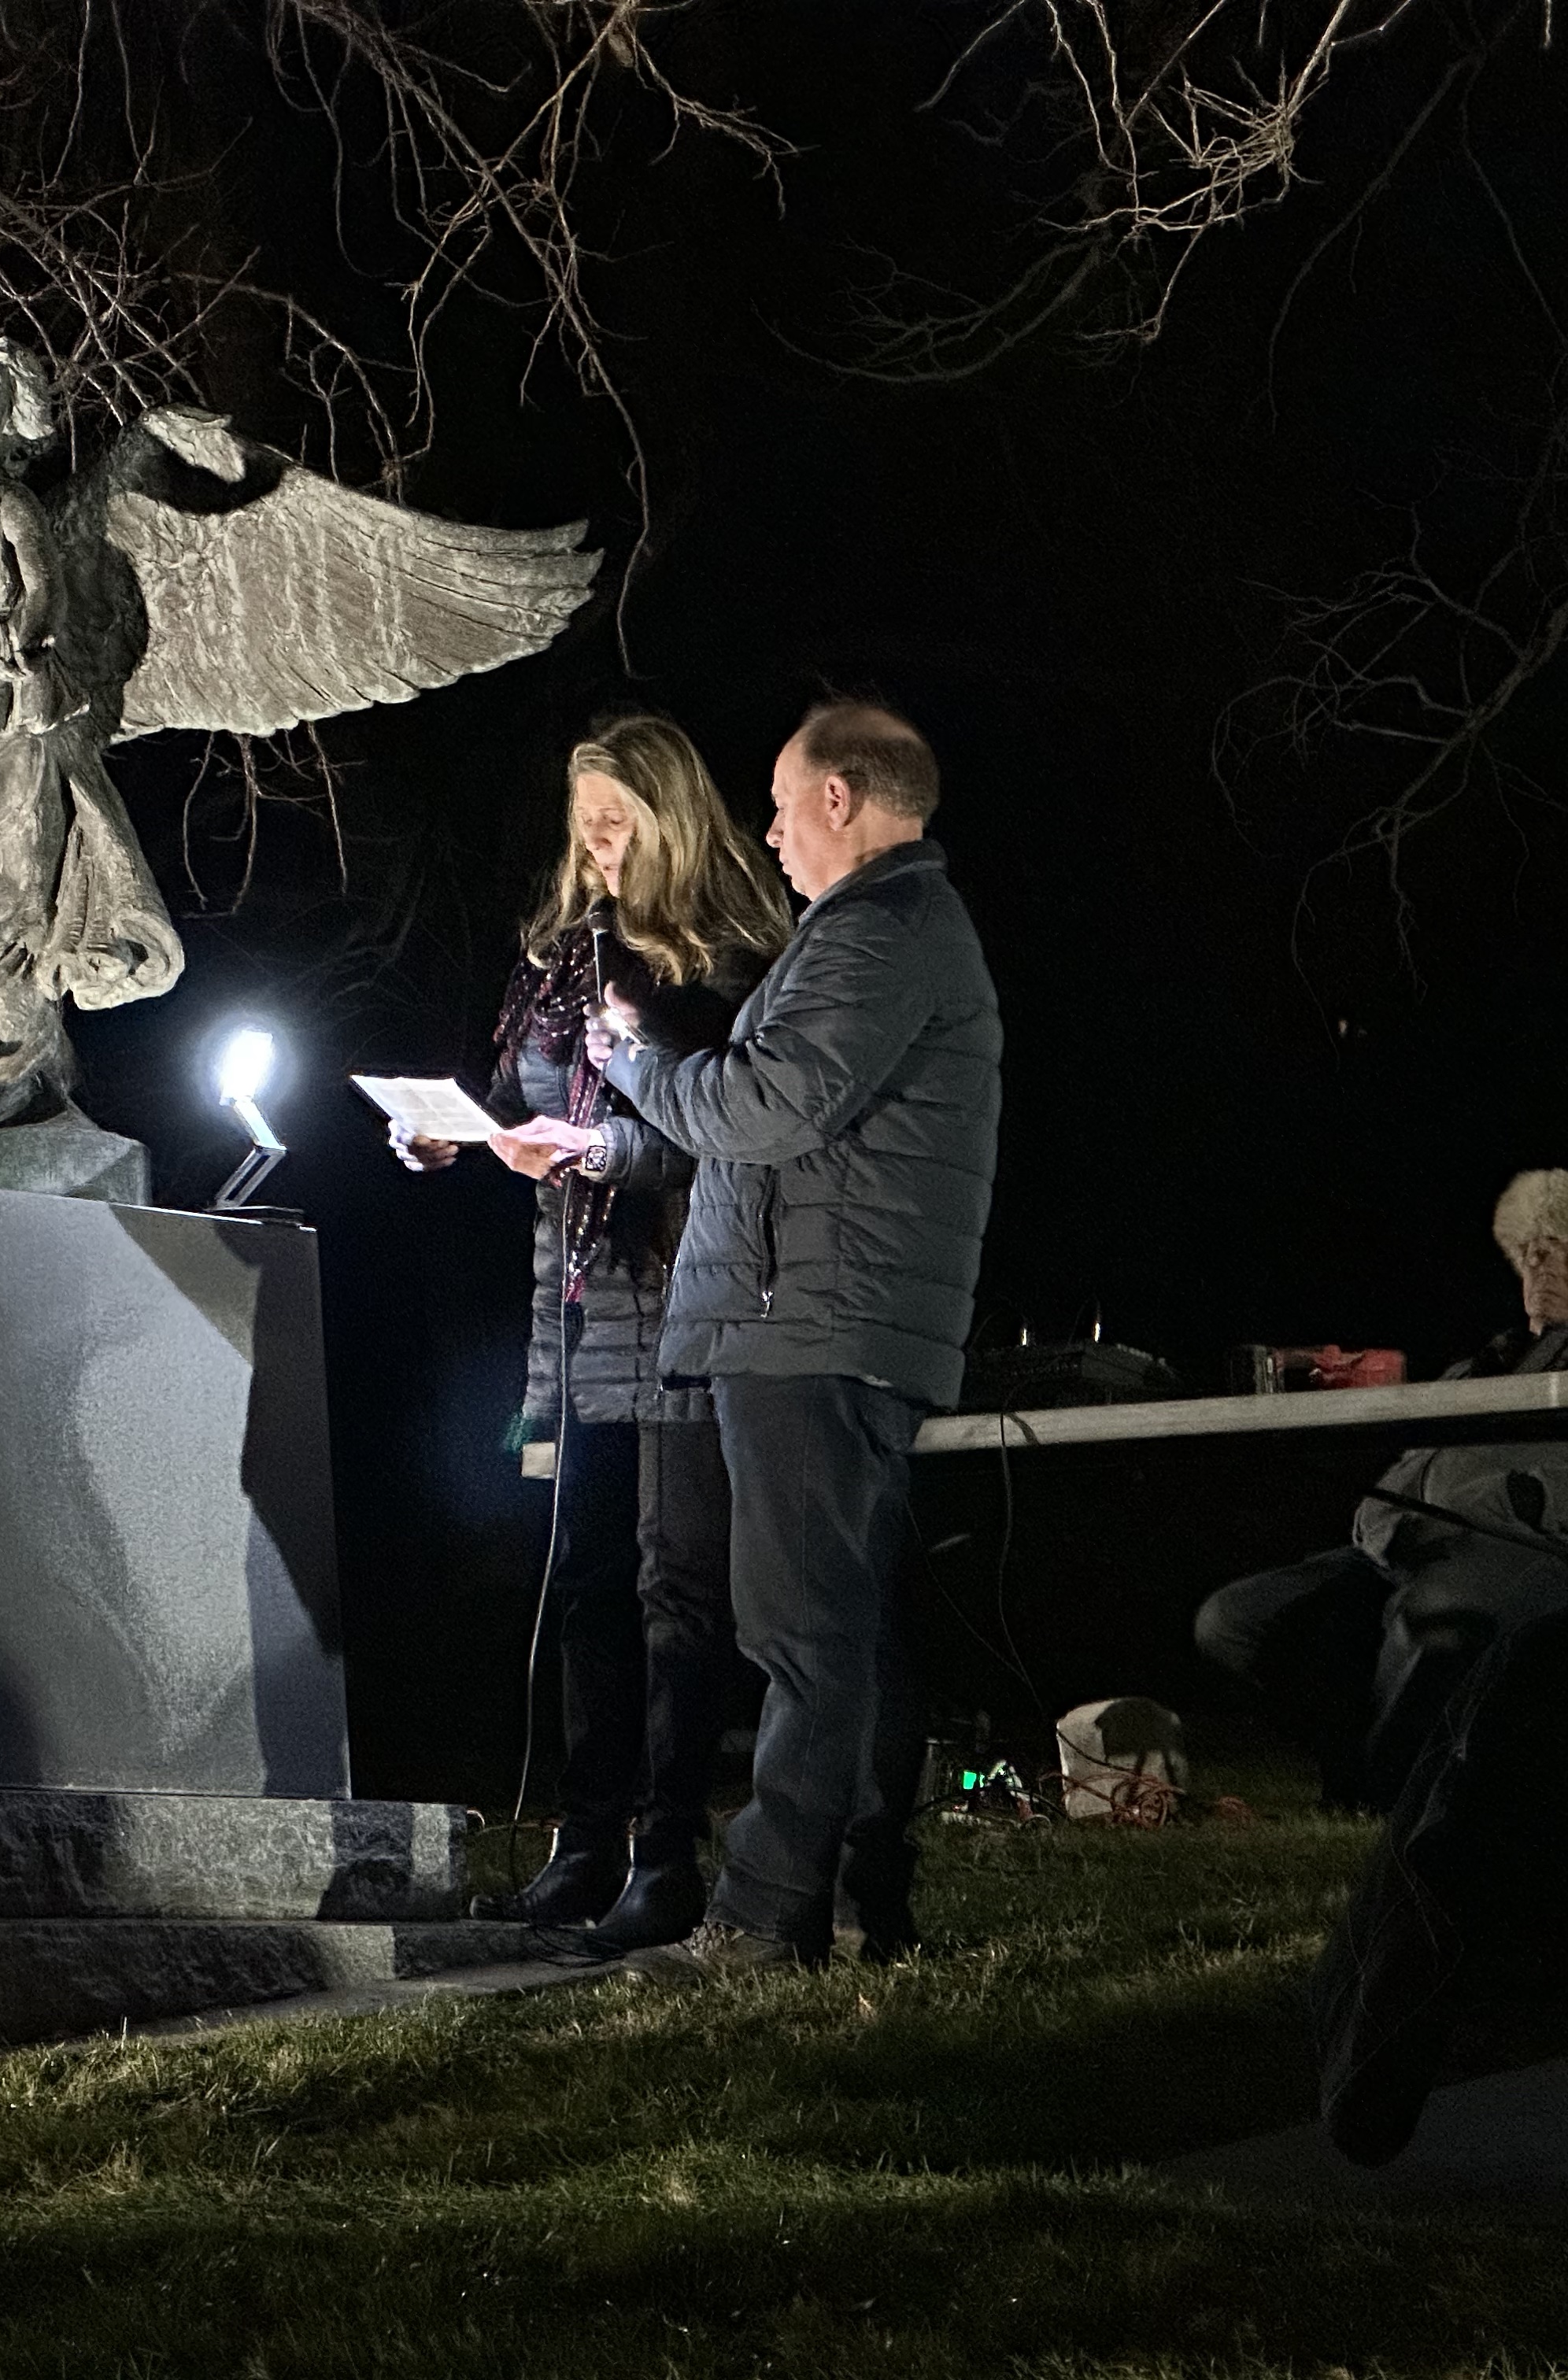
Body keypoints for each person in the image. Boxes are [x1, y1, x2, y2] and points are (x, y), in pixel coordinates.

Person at [586, 700, 1002, 1972]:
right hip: (815, 1314)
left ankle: (764, 1915)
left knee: (801, 1633)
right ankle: (859, 1901)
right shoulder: (875, 929)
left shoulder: (880, 930)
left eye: (779, 803)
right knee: (836, 1626)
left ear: (838, 797)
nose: (767, 832)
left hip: (812, 1321)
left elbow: (770, 1106)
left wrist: (637, 1065)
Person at [394, 717, 788, 1948]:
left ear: (674, 818)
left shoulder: (727, 958)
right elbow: (525, 1103)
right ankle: (584, 1843)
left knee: (679, 1586)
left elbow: (725, 1131)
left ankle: (668, 1857)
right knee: (585, 1583)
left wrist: (600, 1147)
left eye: (618, 821)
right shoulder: (562, 962)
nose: (599, 845)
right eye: (585, 825)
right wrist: (455, 1133)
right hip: (576, 1309)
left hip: (686, 1293)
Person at [1195, 1168, 1568, 1809]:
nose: (1546, 1268)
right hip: (1411, 1546)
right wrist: (1377, 1514)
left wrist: (1524, 1497)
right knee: (1235, 1620)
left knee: (1437, 1614)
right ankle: (1358, 1769)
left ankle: (1383, 1796)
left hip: (1544, 1553)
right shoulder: (1479, 1364)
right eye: (1535, 1252)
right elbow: (1418, 1461)